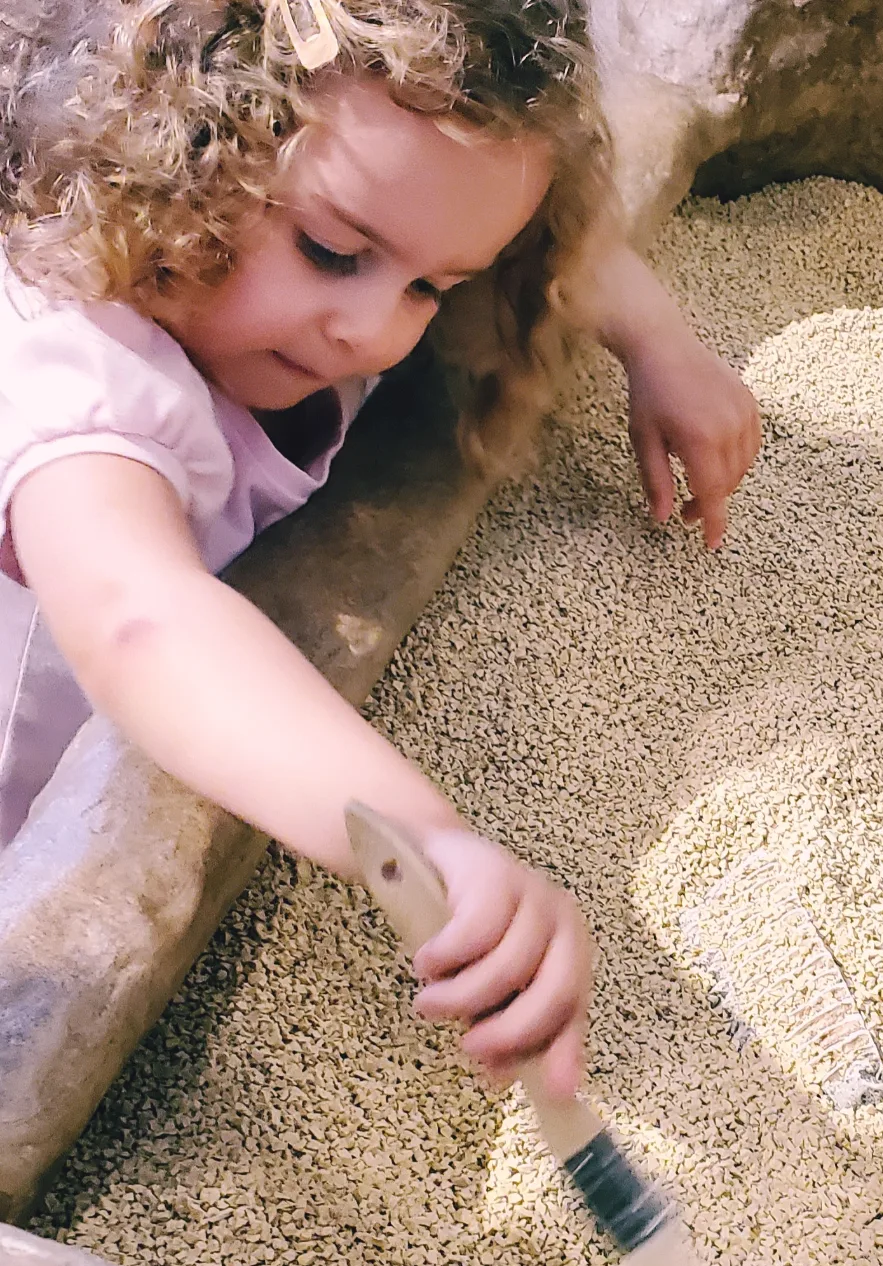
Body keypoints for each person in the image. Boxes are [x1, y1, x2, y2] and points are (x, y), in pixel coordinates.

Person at [0, 0, 761, 1095]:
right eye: (334, 251)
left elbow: (543, 243)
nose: (377, 330)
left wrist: (663, 345)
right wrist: (421, 838)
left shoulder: (319, 272)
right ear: (187, 141)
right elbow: (139, 616)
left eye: (429, 289)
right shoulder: (80, 357)